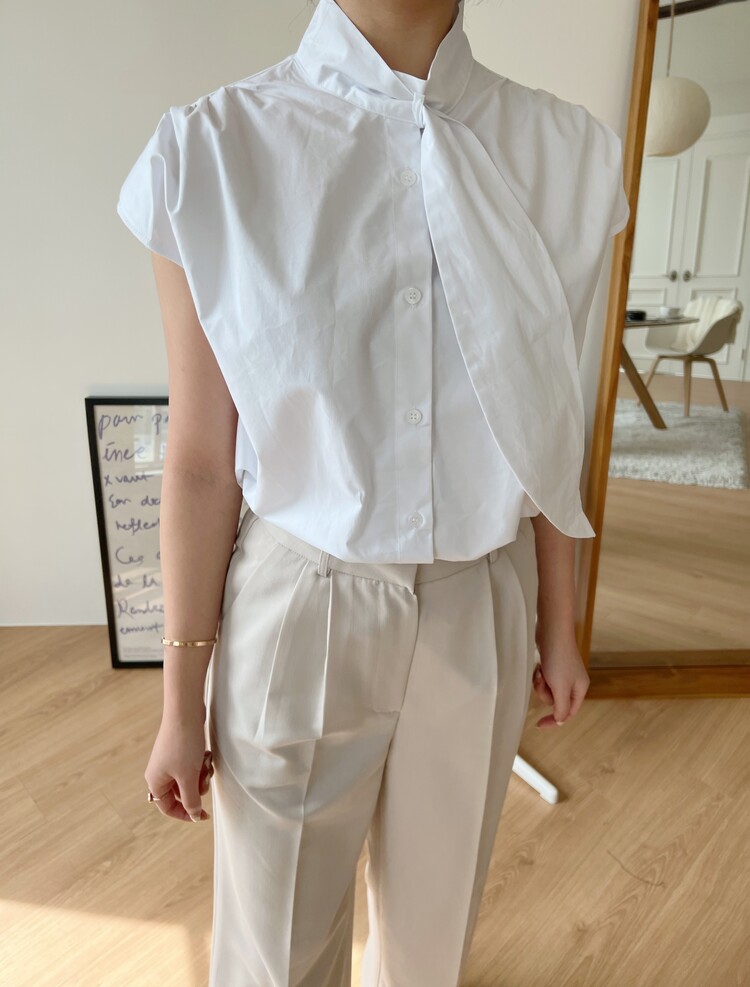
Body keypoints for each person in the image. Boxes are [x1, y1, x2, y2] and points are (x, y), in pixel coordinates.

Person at [116, 0, 630, 984]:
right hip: (301, 602)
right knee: (273, 952)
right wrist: (181, 699)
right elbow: (201, 459)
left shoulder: (567, 155)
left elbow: (550, 423)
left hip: (482, 598)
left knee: (433, 943)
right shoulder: (211, 154)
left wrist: (559, 623)